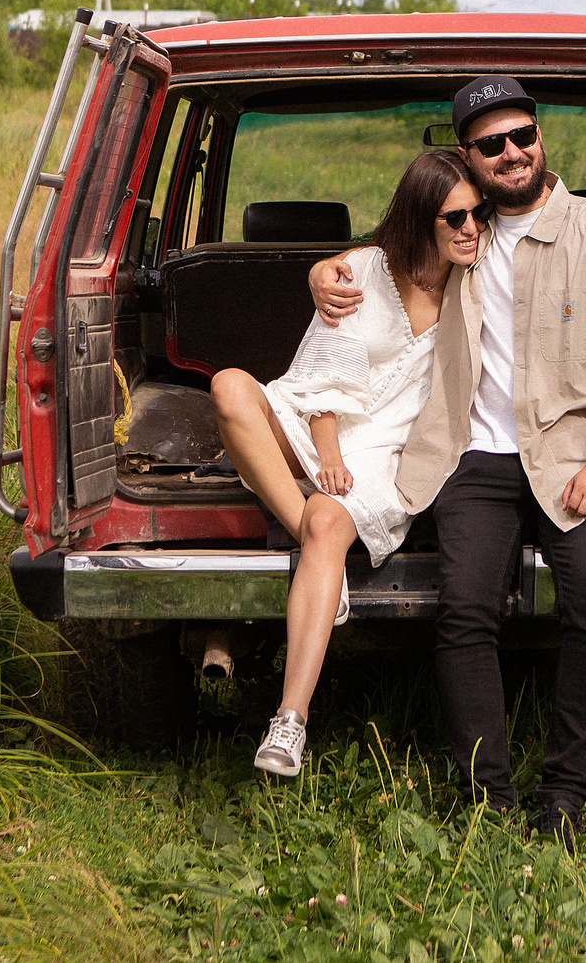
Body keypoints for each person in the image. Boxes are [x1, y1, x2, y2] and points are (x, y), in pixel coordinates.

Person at [309, 76, 586, 845]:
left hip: (574, 450)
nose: (513, 153)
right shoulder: (462, 232)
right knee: (464, 610)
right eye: (492, 144)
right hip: (473, 457)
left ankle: (564, 794)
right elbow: (381, 254)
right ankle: (487, 799)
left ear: (541, 137)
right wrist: (321, 268)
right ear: (467, 158)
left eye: (523, 135)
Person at [209, 148, 486, 778]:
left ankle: (288, 724)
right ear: (422, 221)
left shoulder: (483, 276)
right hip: (320, 424)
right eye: (455, 218)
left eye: (478, 213)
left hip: (390, 451)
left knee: (330, 524)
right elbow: (322, 382)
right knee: (229, 386)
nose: (471, 228)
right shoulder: (360, 270)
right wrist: (327, 456)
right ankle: (315, 544)